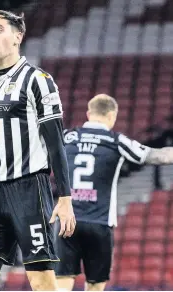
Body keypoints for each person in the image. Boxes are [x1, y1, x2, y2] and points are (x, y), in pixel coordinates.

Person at [0, 10, 76, 291]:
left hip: (30, 191)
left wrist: (65, 197)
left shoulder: (38, 80)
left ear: (18, 37)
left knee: (41, 284)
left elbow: (55, 142)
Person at [55, 94, 173, 291]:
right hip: (99, 224)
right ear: (112, 116)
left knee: (62, 283)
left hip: (67, 222)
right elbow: (156, 156)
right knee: (95, 285)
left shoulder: (67, 136)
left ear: (88, 113)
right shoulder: (116, 140)